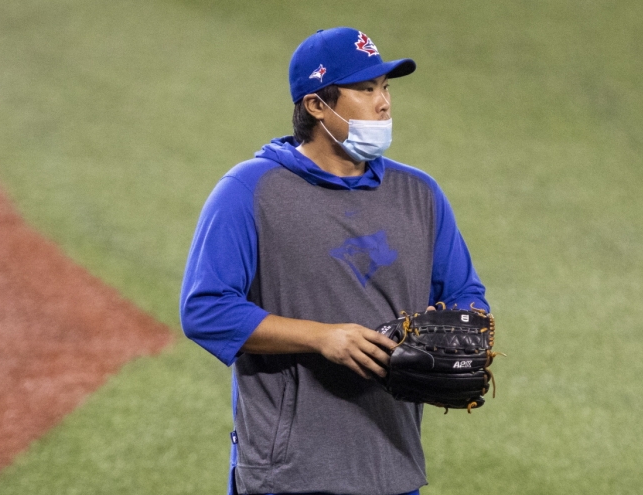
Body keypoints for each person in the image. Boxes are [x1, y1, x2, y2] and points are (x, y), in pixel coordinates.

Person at [180, 27, 488, 495]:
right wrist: (322, 338)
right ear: (316, 105)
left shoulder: (419, 194)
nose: (383, 102)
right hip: (288, 475)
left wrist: (461, 334)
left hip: (393, 468)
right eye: (365, 89)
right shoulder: (250, 191)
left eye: (385, 88)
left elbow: (465, 295)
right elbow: (205, 309)